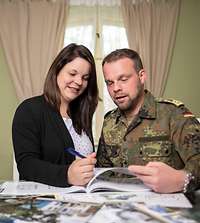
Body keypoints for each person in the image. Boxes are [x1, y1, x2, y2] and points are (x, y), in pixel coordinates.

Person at [96, 48, 200, 194]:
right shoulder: (109, 121)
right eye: (109, 83)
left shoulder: (173, 114)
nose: (116, 88)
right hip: (118, 208)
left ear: (142, 76)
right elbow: (103, 171)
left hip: (165, 208)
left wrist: (181, 179)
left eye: (123, 79)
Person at [12, 43, 98, 187]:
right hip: (46, 202)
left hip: (83, 200)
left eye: (85, 77)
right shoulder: (29, 110)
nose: (78, 82)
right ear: (57, 70)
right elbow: (26, 164)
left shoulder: (81, 115)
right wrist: (67, 175)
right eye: (72, 74)